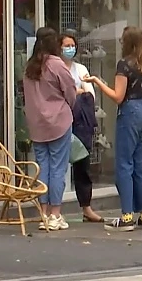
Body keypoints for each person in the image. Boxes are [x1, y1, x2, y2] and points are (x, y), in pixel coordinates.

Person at [83, 27, 142, 232]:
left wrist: (98, 82)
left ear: (127, 43)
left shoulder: (124, 65)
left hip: (130, 111)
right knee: (139, 164)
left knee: (124, 164)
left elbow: (118, 96)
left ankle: (126, 216)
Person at [23, 27, 77, 231]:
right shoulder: (56, 64)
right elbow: (70, 90)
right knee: (57, 169)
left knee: (42, 168)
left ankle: (43, 213)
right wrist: (68, 107)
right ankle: (55, 214)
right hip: (58, 123)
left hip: (37, 125)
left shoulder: (30, 66)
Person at [60, 33, 103, 223]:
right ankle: (54, 208)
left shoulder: (80, 68)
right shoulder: (56, 69)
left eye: (72, 45)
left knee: (82, 165)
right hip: (61, 121)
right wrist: (77, 92)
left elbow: (89, 94)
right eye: (66, 45)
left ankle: (86, 207)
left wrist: (74, 93)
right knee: (58, 167)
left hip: (80, 124)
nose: (70, 48)